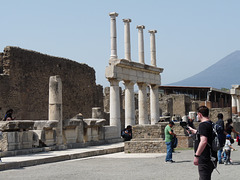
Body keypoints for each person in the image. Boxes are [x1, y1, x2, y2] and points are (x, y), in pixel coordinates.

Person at [188, 106, 217, 180]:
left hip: (205, 158)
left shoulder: (203, 125)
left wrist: (197, 156)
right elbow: (205, 134)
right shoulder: (211, 124)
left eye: (197, 115)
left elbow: (204, 141)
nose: (197, 117)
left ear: (200, 114)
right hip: (212, 157)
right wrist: (194, 131)